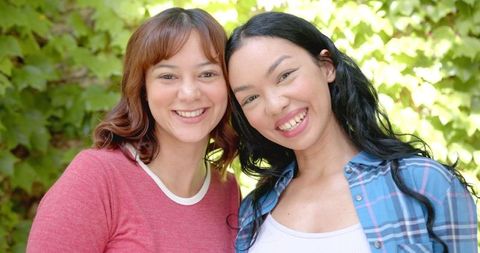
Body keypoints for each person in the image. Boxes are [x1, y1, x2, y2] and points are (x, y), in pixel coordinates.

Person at [226, 12, 478, 253]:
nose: (274, 104)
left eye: (285, 75)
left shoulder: (424, 183)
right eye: (251, 98)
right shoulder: (253, 210)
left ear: (326, 66)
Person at [27, 7, 240, 252]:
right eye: (168, 76)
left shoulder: (227, 191)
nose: (190, 93)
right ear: (142, 89)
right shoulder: (96, 177)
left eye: (207, 73)